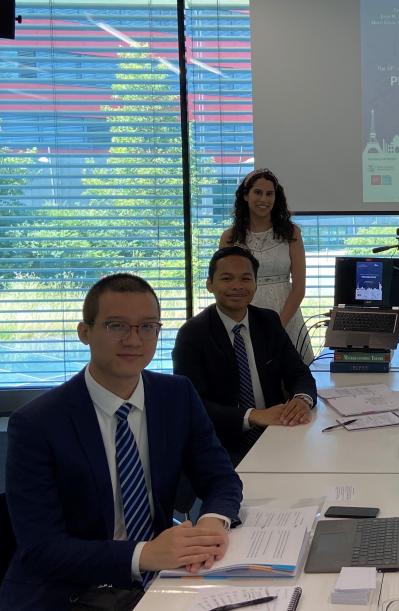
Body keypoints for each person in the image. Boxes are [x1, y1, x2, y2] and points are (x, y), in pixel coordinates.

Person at [1, 274, 242, 609]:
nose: (134, 340)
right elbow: (41, 548)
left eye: (147, 327)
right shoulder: (36, 423)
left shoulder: (177, 396)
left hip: (161, 578)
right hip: (73, 590)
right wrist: (143, 553)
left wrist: (211, 523)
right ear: (85, 332)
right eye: (116, 326)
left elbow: (220, 477)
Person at [173, 246, 317, 465]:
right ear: (210, 284)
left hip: (276, 432)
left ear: (256, 284)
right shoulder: (192, 334)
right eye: (227, 278)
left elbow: (299, 373)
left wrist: (301, 399)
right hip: (222, 442)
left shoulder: (268, 321)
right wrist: (252, 416)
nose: (237, 286)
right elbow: (193, 403)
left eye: (246, 279)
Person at [222, 168, 313, 363]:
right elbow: (224, 285)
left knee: (293, 380)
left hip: (286, 315)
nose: (264, 199)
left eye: (269, 193)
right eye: (258, 192)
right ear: (246, 196)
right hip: (244, 315)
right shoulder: (230, 238)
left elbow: (299, 287)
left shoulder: (292, 233)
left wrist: (277, 326)